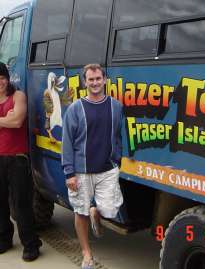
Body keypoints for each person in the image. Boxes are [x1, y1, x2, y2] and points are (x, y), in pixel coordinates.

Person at [62, 64, 124, 269]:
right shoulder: (75, 108)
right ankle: (86, 253)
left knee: (111, 210)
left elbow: (117, 135)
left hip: (107, 169)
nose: (95, 83)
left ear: (105, 80)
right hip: (81, 171)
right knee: (80, 212)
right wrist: (69, 172)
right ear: (84, 82)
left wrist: (117, 159)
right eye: (91, 79)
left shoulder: (116, 106)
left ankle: (95, 210)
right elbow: (67, 142)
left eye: (98, 79)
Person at [0, 62, 42, 261]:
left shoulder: (18, 96)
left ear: (8, 79)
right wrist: (4, 119)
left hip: (17, 158)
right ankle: (3, 239)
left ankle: (31, 244)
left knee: (22, 203)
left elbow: (17, 122)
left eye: (2, 78)